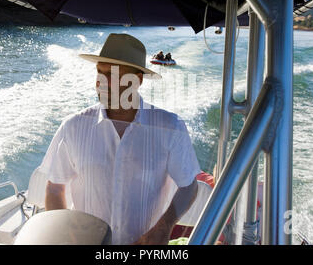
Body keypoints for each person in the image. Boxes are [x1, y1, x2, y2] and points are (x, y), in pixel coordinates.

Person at [38, 33, 201, 245]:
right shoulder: (73, 127)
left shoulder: (171, 128)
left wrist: (164, 226)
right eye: (100, 73)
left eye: (113, 75)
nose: (101, 83)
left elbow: (189, 186)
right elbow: (55, 187)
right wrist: (64, 234)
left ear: (137, 81)